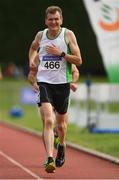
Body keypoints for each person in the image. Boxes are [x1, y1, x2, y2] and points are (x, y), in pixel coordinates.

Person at [28, 5, 82, 173]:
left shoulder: (68, 35)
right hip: (44, 82)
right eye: (50, 19)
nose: (53, 22)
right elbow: (32, 47)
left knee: (61, 126)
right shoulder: (40, 35)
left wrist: (61, 54)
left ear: (61, 20)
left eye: (56, 19)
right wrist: (31, 60)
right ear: (46, 21)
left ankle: (63, 144)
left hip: (62, 84)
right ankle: (50, 158)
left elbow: (78, 60)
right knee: (48, 120)